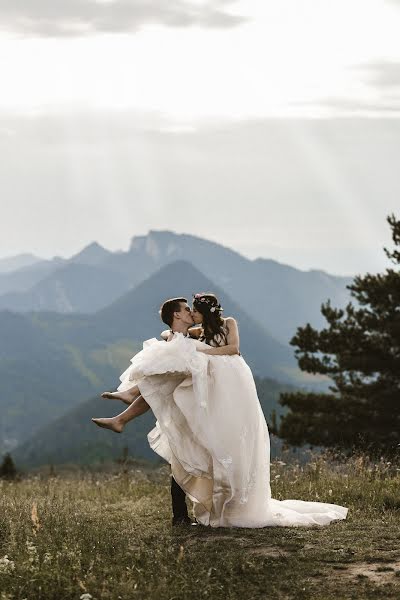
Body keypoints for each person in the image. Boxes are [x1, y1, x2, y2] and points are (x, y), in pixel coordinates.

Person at [94, 293, 348, 528]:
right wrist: (180, 339)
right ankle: (128, 402)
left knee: (221, 443)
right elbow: (166, 334)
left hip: (229, 389)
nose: (191, 313)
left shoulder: (227, 323)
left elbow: (234, 348)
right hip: (208, 390)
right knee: (169, 383)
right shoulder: (197, 331)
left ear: (204, 311)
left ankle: (128, 402)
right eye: (188, 310)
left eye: (194, 309)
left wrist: (202, 350)